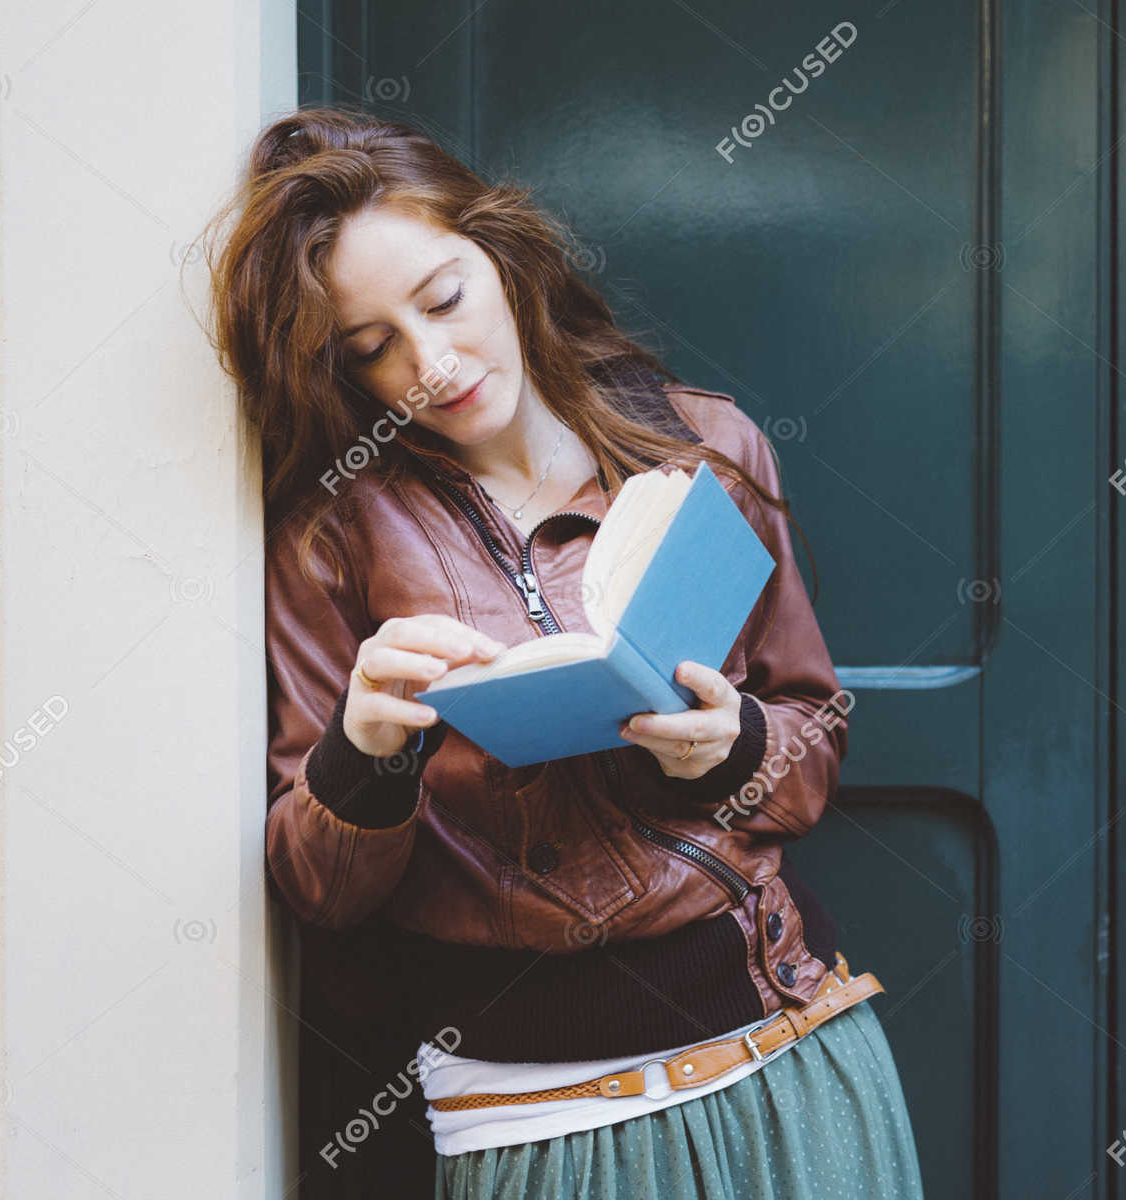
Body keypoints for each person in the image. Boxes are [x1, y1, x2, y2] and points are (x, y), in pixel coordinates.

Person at [198, 104, 924, 1199]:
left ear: (500, 251)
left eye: (444, 298)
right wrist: (368, 750)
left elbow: (813, 746)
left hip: (785, 1059)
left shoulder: (704, 449)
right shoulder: (327, 538)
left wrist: (730, 747)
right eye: (373, 348)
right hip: (531, 1115)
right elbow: (320, 892)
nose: (432, 363)